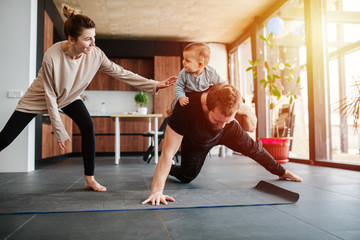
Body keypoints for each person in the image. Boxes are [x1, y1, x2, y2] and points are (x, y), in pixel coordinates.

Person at [0, 5, 176, 192]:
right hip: (39, 98)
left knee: (88, 126)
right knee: (5, 138)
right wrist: (59, 129)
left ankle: (90, 178)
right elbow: (50, 95)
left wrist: (154, 84)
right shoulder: (52, 56)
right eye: (87, 39)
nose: (93, 43)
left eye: (94, 37)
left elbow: (121, 73)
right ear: (71, 39)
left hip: (69, 97)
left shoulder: (96, 54)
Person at [142, 83, 302, 206]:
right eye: (217, 120)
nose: (221, 126)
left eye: (227, 120)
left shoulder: (231, 103)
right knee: (186, 176)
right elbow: (168, 151)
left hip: (229, 134)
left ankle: (281, 171)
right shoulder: (185, 109)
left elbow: (253, 142)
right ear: (206, 106)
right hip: (197, 141)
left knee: (252, 148)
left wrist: (281, 171)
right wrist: (156, 191)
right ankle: (169, 167)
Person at [168, 42, 257, 132]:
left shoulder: (210, 73)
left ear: (200, 65)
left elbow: (222, 83)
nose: (183, 62)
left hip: (204, 90)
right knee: (178, 102)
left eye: (187, 61)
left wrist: (237, 98)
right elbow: (179, 86)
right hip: (188, 92)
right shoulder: (184, 73)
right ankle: (170, 109)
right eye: (184, 59)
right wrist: (181, 96)